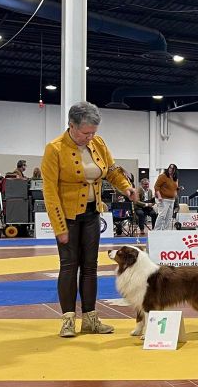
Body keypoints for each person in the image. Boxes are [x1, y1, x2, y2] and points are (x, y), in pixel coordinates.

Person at [41, 101, 137, 338]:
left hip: (93, 214)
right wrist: (59, 227)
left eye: (93, 132)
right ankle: (68, 320)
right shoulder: (54, 149)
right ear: (71, 126)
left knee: (90, 267)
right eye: (86, 133)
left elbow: (112, 171)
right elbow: (50, 192)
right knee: (69, 266)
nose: (90, 137)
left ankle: (90, 319)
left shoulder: (98, 143)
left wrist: (126, 188)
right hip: (68, 218)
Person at [154, 164, 180, 230]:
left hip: (172, 200)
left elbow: (175, 188)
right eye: (170, 168)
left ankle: (166, 230)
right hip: (163, 199)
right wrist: (159, 196)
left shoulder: (175, 179)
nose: (171, 169)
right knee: (162, 215)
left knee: (169, 217)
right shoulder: (163, 176)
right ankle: (156, 230)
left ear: (175, 170)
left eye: (172, 168)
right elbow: (156, 186)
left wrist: (178, 190)